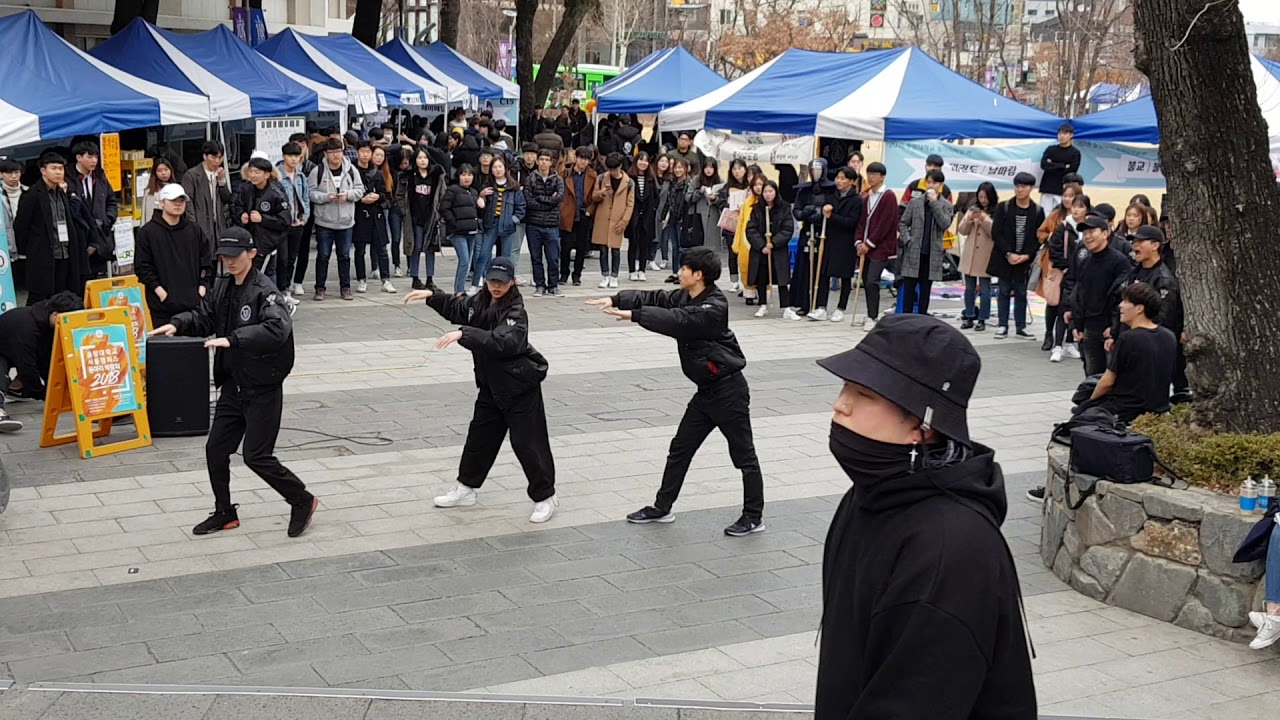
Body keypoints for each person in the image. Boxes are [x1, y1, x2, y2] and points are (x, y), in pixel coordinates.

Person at [813, 313, 1036, 719]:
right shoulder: (868, 495)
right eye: (845, 386)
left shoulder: (952, 547)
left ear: (925, 426)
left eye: (864, 394)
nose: (840, 405)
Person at [150, 227, 317, 539]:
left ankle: (301, 499)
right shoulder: (223, 286)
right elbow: (205, 316)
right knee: (216, 449)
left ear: (251, 254)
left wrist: (234, 339)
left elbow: (277, 329)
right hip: (233, 384)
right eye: (224, 256)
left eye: (235, 255)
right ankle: (225, 511)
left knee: (257, 456)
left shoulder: (265, 290)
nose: (229, 261)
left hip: (262, 386)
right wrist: (177, 324)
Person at [589, 246, 766, 537]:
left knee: (744, 456)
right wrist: (617, 298)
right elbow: (657, 297)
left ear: (699, 275)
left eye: (685, 268)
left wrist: (634, 315)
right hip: (706, 393)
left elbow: (679, 321)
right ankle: (662, 507)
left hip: (729, 392)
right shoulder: (685, 295)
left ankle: (753, 516)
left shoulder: (714, 307)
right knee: (680, 449)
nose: (680, 272)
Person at [403, 257, 559, 523]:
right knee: (479, 439)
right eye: (492, 281)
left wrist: (464, 334)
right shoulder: (479, 301)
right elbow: (458, 307)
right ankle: (466, 487)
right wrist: (431, 296)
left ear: (512, 282)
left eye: (502, 282)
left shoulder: (516, 312)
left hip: (519, 387)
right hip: (490, 386)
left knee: (528, 444)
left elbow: (505, 342)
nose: (496, 287)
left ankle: (545, 497)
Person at [1078, 282, 1177, 421]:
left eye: (1125, 301)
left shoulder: (1128, 338)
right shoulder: (1169, 336)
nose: (1120, 305)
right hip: (1158, 407)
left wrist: (1089, 403)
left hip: (1126, 409)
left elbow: (1107, 382)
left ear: (1139, 309)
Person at [15, 152, 94, 304]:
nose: (58, 172)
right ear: (43, 170)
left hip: (65, 252)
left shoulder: (62, 193)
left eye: (61, 169)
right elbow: (21, 226)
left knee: (62, 296)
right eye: (53, 168)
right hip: (42, 254)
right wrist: (29, 250)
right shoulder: (32, 194)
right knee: (40, 298)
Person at [1117, 225, 1185, 399]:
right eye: (1134, 241)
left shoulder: (1163, 279)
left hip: (1149, 347)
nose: (1135, 245)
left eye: (1141, 241)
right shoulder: (1134, 273)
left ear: (1155, 245)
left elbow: (1163, 318)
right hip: (1129, 340)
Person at [0, 292, 84, 433]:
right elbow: (27, 366)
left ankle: (17, 388)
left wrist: (55, 392)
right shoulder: (27, 328)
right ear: (56, 315)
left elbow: (47, 360)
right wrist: (44, 395)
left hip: (11, 349)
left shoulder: (47, 322)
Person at [135, 184, 213, 328]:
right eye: (173, 200)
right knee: (165, 341)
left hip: (193, 306)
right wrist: (159, 291)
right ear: (162, 203)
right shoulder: (147, 232)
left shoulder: (195, 230)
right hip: (162, 308)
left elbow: (206, 261)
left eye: (182, 200)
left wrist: (202, 287)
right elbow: (142, 267)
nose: (178, 204)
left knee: (194, 341)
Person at [1068, 212, 1131, 376]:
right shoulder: (1085, 262)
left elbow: (1122, 297)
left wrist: (1115, 327)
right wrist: (1076, 323)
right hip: (1089, 328)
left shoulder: (1119, 262)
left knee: (1112, 376)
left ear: (1105, 233)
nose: (1087, 237)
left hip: (1109, 329)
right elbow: (1079, 295)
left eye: (1092, 232)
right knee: (1091, 376)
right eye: (1085, 233)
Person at [989, 172, 1045, 339]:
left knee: (1021, 293)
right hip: (1005, 258)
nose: (1020, 190)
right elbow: (996, 233)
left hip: (1024, 260)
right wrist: (1008, 253)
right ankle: (1002, 325)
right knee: (1004, 291)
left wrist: (1028, 255)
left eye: (1023, 186)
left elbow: (1039, 237)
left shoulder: (1037, 211)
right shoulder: (1004, 207)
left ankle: (1021, 327)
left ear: (1031, 188)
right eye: (1017, 186)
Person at [308, 138, 364, 301]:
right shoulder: (318, 171)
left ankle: (345, 288)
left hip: (346, 221)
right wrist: (326, 197)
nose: (335, 155)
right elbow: (310, 193)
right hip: (324, 221)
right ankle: (320, 288)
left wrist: (348, 195)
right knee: (323, 255)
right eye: (332, 152)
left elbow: (360, 190)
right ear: (326, 154)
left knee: (344, 256)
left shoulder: (351, 170)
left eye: (338, 151)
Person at [896, 169, 955, 315]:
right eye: (928, 182)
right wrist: (907, 239)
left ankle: (922, 318)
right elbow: (903, 223)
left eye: (934, 183)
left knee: (925, 290)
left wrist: (934, 203)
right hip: (913, 252)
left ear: (941, 185)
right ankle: (906, 318)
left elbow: (944, 224)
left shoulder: (946, 205)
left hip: (932, 254)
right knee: (909, 289)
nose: (931, 186)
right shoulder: (915, 202)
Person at [811, 167, 863, 323]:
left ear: (852, 181)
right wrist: (824, 213)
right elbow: (824, 217)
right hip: (829, 240)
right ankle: (821, 307)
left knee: (845, 276)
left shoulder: (857, 200)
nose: (839, 181)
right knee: (824, 274)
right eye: (838, 178)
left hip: (846, 242)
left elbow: (851, 222)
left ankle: (841, 308)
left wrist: (831, 216)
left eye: (843, 178)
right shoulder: (831, 196)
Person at [787, 159, 837, 320]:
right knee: (804, 269)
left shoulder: (832, 189)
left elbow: (834, 207)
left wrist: (821, 213)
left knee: (821, 270)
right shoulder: (804, 191)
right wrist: (805, 213)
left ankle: (819, 304)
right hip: (807, 232)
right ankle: (804, 303)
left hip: (824, 233)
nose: (816, 173)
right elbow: (797, 210)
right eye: (813, 170)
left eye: (818, 169)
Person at [231, 156, 291, 287]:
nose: (253, 175)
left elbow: (285, 221)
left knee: (266, 274)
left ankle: (271, 297)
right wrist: (242, 215)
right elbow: (237, 205)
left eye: (257, 172)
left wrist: (263, 219)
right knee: (249, 274)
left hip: (267, 242)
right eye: (251, 171)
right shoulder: (246, 189)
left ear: (267, 174)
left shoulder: (275, 194)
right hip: (249, 240)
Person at [1044, 194, 1090, 361]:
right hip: (1065, 274)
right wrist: (1066, 267)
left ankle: (1069, 343)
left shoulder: (1089, 228)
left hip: (1084, 275)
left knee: (1076, 310)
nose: (1076, 209)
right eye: (1074, 206)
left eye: (1080, 206)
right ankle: (1057, 346)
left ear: (1087, 209)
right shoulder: (1064, 227)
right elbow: (1054, 249)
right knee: (1062, 309)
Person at [853, 162, 898, 332]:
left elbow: (885, 224)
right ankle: (870, 313)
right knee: (866, 280)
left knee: (872, 280)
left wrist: (869, 243)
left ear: (882, 177)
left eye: (875, 174)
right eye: (869, 174)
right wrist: (859, 242)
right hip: (866, 247)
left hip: (882, 247)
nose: (871, 177)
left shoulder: (888, 196)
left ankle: (873, 317)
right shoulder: (866, 197)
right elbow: (861, 222)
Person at [398, 145, 446, 292]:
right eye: (420, 157)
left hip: (431, 217)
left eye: (425, 157)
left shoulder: (437, 175)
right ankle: (415, 277)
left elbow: (443, 195)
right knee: (416, 247)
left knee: (430, 248)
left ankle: (430, 278)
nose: (423, 160)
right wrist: (404, 210)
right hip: (414, 218)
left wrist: (439, 212)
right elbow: (399, 195)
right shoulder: (408, 176)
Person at [66, 140, 117, 278]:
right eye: (89, 157)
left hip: (101, 236)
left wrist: (108, 219)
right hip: (80, 240)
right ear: (79, 157)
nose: (94, 160)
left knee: (98, 279)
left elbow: (112, 201)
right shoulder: (67, 178)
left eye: (96, 157)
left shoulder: (100, 176)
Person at [744, 180, 794, 318]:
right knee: (762, 277)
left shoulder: (784, 208)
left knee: (782, 279)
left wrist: (773, 243)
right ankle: (762, 305)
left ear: (776, 192)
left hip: (778, 249)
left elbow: (787, 229)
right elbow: (751, 230)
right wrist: (761, 245)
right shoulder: (756, 209)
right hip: (761, 250)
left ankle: (786, 308)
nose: (768, 194)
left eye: (770, 191)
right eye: (765, 191)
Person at [350, 143, 395, 294]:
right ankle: (361, 279)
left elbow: (386, 195)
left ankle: (386, 280)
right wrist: (360, 199)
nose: (365, 155)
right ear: (357, 153)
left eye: (367, 152)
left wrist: (378, 196)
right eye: (362, 151)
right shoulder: (351, 171)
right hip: (359, 214)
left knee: (382, 249)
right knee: (360, 250)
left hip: (376, 214)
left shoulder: (377, 173)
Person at [476, 156, 526, 290]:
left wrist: (514, 219)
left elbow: (521, 206)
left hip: (508, 224)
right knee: (484, 253)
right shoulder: (487, 186)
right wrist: (481, 196)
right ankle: (480, 279)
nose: (497, 170)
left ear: (505, 168)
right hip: (491, 223)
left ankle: (506, 282)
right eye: (494, 167)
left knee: (506, 256)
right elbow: (481, 208)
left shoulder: (514, 187)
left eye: (500, 167)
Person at [524, 149, 565, 298]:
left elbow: (559, 198)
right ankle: (539, 285)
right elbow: (529, 201)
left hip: (552, 224)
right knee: (536, 258)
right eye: (541, 159)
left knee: (553, 258)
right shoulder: (530, 179)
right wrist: (548, 202)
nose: (544, 162)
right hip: (533, 224)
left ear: (551, 162)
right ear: (537, 161)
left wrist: (540, 198)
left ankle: (553, 285)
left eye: (547, 160)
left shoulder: (558, 179)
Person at [590, 152, 634, 289]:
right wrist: (602, 193)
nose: (612, 172)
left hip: (618, 219)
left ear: (620, 166)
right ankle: (605, 276)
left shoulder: (629, 182)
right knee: (603, 249)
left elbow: (630, 204)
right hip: (603, 219)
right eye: (610, 169)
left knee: (616, 250)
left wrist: (624, 222)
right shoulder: (601, 178)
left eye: (614, 169)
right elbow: (593, 197)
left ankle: (614, 276)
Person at [958, 182, 997, 331]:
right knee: (969, 288)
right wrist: (969, 219)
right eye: (980, 197)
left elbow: (995, 232)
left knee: (985, 289)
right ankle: (969, 316)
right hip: (970, 255)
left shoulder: (997, 211)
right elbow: (962, 230)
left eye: (985, 197)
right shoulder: (972, 209)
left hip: (986, 255)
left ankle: (983, 318)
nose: (983, 200)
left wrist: (984, 219)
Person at [182, 141, 232, 255]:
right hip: (201, 224)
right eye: (213, 157)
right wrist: (193, 226)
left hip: (218, 225)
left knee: (217, 258)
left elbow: (227, 199)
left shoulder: (220, 173)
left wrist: (222, 181)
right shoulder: (191, 175)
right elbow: (188, 203)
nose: (217, 161)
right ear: (205, 156)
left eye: (220, 157)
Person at [441, 164, 484, 295]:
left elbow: (476, 211)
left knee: (468, 260)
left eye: (469, 175)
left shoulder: (474, 192)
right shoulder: (452, 190)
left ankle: (461, 288)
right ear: (458, 176)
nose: (467, 177)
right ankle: (459, 290)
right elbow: (444, 208)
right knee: (464, 260)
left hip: (472, 231)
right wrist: (453, 223)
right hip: (458, 233)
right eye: (463, 174)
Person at [276, 142, 310, 305]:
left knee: (291, 259)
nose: (294, 159)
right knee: (281, 259)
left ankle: (286, 290)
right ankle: (279, 290)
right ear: (284, 156)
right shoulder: (276, 175)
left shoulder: (301, 176)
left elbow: (305, 197)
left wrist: (305, 217)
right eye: (290, 156)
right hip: (282, 224)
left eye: (297, 156)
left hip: (297, 223)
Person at [559, 149, 597, 286]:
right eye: (581, 158)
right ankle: (564, 274)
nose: (583, 161)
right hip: (568, 213)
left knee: (582, 247)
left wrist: (589, 211)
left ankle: (577, 275)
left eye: (586, 159)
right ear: (576, 158)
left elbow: (594, 197)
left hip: (583, 214)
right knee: (565, 247)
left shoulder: (592, 175)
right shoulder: (565, 173)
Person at [714, 159, 750, 294]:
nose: (737, 172)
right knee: (732, 253)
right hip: (732, 224)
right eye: (734, 169)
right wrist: (728, 204)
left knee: (746, 254)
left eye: (740, 168)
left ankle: (747, 281)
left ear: (745, 170)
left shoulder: (750, 186)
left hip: (747, 224)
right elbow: (721, 202)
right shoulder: (727, 187)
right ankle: (734, 281)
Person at [626, 152, 659, 282]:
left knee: (645, 244)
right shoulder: (629, 178)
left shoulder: (650, 179)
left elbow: (656, 197)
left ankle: (642, 270)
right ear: (636, 161)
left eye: (646, 161)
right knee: (633, 243)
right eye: (641, 160)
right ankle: (632, 271)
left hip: (647, 216)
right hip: (633, 215)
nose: (643, 163)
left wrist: (652, 210)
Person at [1039, 123, 1082, 215]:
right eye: (1060, 133)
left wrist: (1052, 164)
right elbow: (1044, 165)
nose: (1061, 136)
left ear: (1071, 135)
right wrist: (1063, 166)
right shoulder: (1051, 149)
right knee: (1044, 215)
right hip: (1047, 188)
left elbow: (1071, 171)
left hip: (1062, 190)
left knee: (1061, 215)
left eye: (1065, 133)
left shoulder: (1075, 153)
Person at [139, 157, 177, 227]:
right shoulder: (150, 191)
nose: (163, 173)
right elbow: (147, 216)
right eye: (159, 170)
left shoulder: (177, 189)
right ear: (155, 173)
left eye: (166, 169)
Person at [1, 158, 25, 260]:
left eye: (16, 172)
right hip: (5, 251)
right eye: (9, 173)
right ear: (1, 174)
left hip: (28, 249)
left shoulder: (29, 192)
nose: (14, 176)